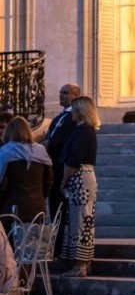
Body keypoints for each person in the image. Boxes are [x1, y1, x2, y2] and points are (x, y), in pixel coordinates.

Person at [59, 96, 100, 277]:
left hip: (79, 177)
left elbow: (74, 160)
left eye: (74, 109)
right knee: (84, 219)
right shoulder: (87, 130)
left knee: (80, 220)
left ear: (81, 111)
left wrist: (64, 181)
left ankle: (80, 264)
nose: (72, 112)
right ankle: (85, 262)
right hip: (86, 176)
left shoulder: (83, 130)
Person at [39, 83, 80, 250]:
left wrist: (50, 143)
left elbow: (67, 141)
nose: (61, 96)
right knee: (54, 207)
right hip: (52, 166)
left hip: (62, 165)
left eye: (66, 93)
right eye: (60, 92)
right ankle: (55, 246)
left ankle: (60, 247)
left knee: (61, 209)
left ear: (76, 97)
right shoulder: (58, 118)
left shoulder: (74, 118)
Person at [0, 115, 53, 232]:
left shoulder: (5, 152)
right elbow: (49, 180)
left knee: (12, 245)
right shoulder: (41, 151)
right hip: (37, 207)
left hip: (12, 209)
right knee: (33, 245)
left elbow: (2, 183)